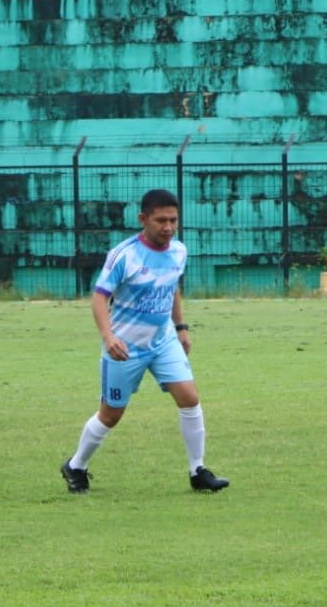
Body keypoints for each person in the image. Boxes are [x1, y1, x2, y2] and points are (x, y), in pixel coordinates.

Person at [60, 188, 229, 494]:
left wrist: (181, 327)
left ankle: (198, 471)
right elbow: (99, 298)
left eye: (173, 220)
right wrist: (108, 337)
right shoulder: (124, 255)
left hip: (163, 341)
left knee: (189, 398)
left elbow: (172, 286)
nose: (168, 227)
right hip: (125, 348)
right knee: (110, 415)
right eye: (161, 220)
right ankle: (76, 466)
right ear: (143, 219)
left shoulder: (179, 251)